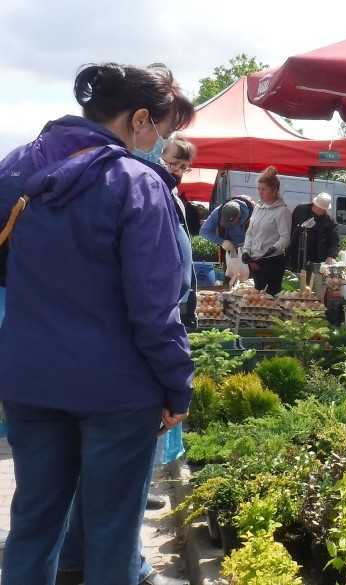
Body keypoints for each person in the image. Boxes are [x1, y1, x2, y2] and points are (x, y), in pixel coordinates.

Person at [0, 62, 195, 585]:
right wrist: (178, 385)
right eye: (160, 127)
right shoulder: (136, 183)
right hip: (117, 388)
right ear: (138, 120)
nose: (160, 139)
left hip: (30, 378)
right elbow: (155, 310)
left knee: (33, 523)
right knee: (111, 533)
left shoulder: (16, 166)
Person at [241, 166, 292, 295]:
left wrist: (274, 248)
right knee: (256, 299)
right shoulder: (258, 207)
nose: (260, 192)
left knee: (269, 301)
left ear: (274, 190)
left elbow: (285, 238)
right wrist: (246, 250)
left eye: (264, 189)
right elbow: (250, 232)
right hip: (255, 261)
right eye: (259, 189)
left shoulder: (282, 211)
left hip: (272, 263)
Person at [286, 191, 340, 274]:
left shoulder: (329, 220)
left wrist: (331, 255)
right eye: (319, 208)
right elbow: (290, 227)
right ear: (314, 204)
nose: (320, 211)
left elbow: (335, 240)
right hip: (296, 253)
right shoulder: (301, 210)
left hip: (317, 256)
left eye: (323, 210)